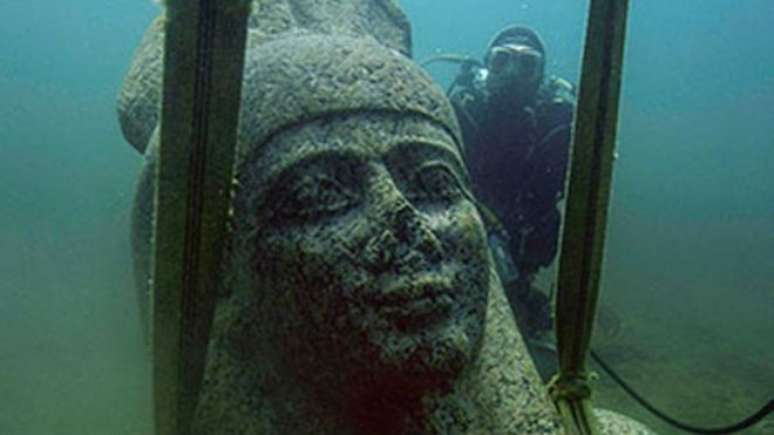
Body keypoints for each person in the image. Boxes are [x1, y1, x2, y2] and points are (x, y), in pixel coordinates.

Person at [119, 2, 653, 434]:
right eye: (322, 193)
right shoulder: (470, 107)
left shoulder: (553, 124)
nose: (409, 225)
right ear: (228, 267)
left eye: (435, 184)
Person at [448, 25, 576, 340]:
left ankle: (520, 294)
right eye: (501, 61)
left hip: (524, 231)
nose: (512, 74)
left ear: (541, 74)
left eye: (527, 65)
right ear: (486, 65)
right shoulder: (465, 108)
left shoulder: (555, 122)